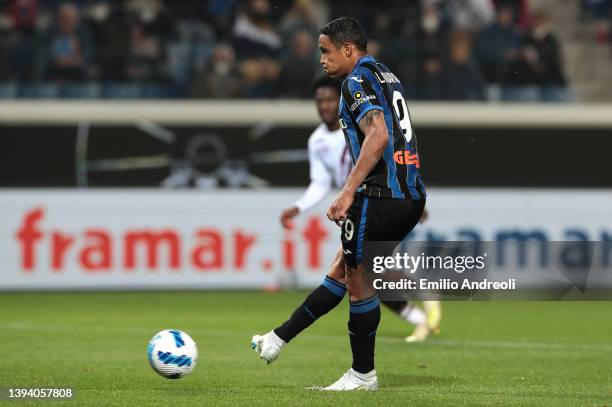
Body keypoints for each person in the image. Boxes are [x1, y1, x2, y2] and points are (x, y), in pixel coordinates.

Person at [252, 17, 428, 391]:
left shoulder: (355, 81)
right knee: (343, 270)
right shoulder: (386, 75)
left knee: (358, 281)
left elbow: (378, 135)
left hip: (381, 194)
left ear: (348, 49)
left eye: (326, 51)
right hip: (409, 194)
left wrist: (348, 190)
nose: (322, 59)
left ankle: (363, 374)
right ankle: (276, 340)